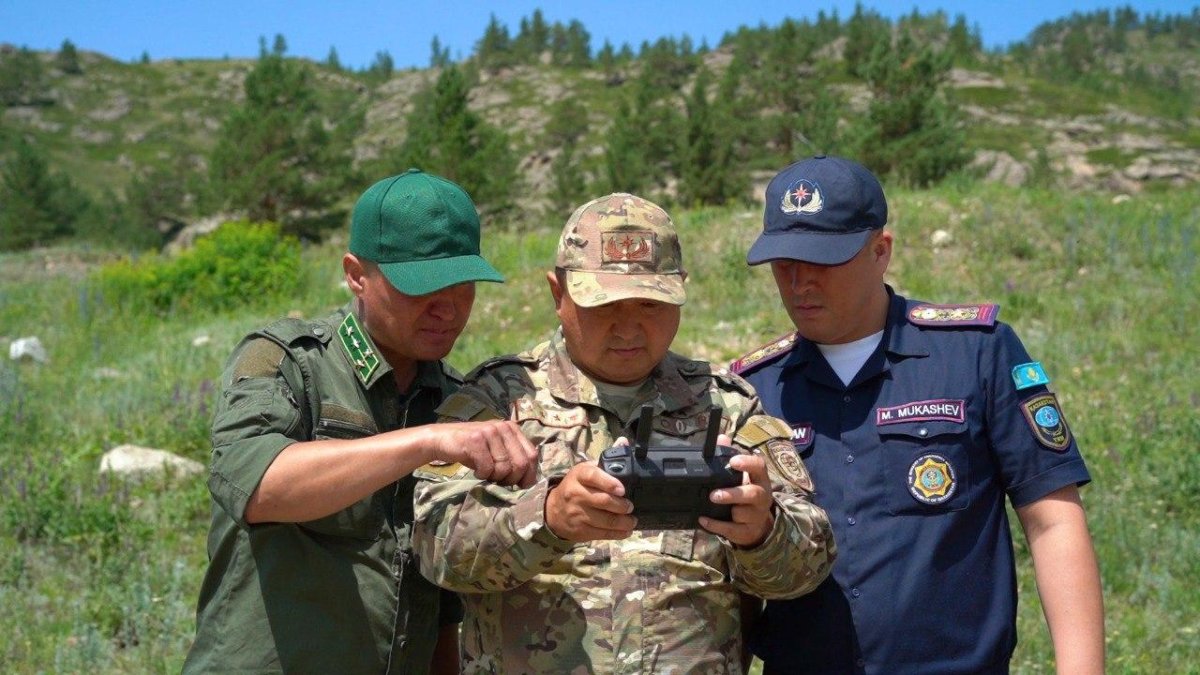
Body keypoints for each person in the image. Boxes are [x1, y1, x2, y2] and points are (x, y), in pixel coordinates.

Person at [411, 192, 836, 673]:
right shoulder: (496, 402)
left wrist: (763, 532)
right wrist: (546, 517)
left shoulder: (728, 405)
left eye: (651, 305)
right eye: (605, 306)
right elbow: (433, 546)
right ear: (558, 295)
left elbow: (810, 564)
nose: (629, 328)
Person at [733, 155, 1105, 674]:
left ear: (880, 251)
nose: (801, 283)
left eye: (824, 260)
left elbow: (1053, 522)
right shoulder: (754, 388)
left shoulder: (977, 354)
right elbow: (735, 569)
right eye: (785, 264)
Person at [183, 169, 539, 675]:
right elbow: (260, 487)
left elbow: (439, 603)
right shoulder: (288, 363)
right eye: (422, 286)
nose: (448, 309)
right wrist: (425, 441)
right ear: (356, 275)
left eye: (463, 285)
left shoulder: (454, 401)